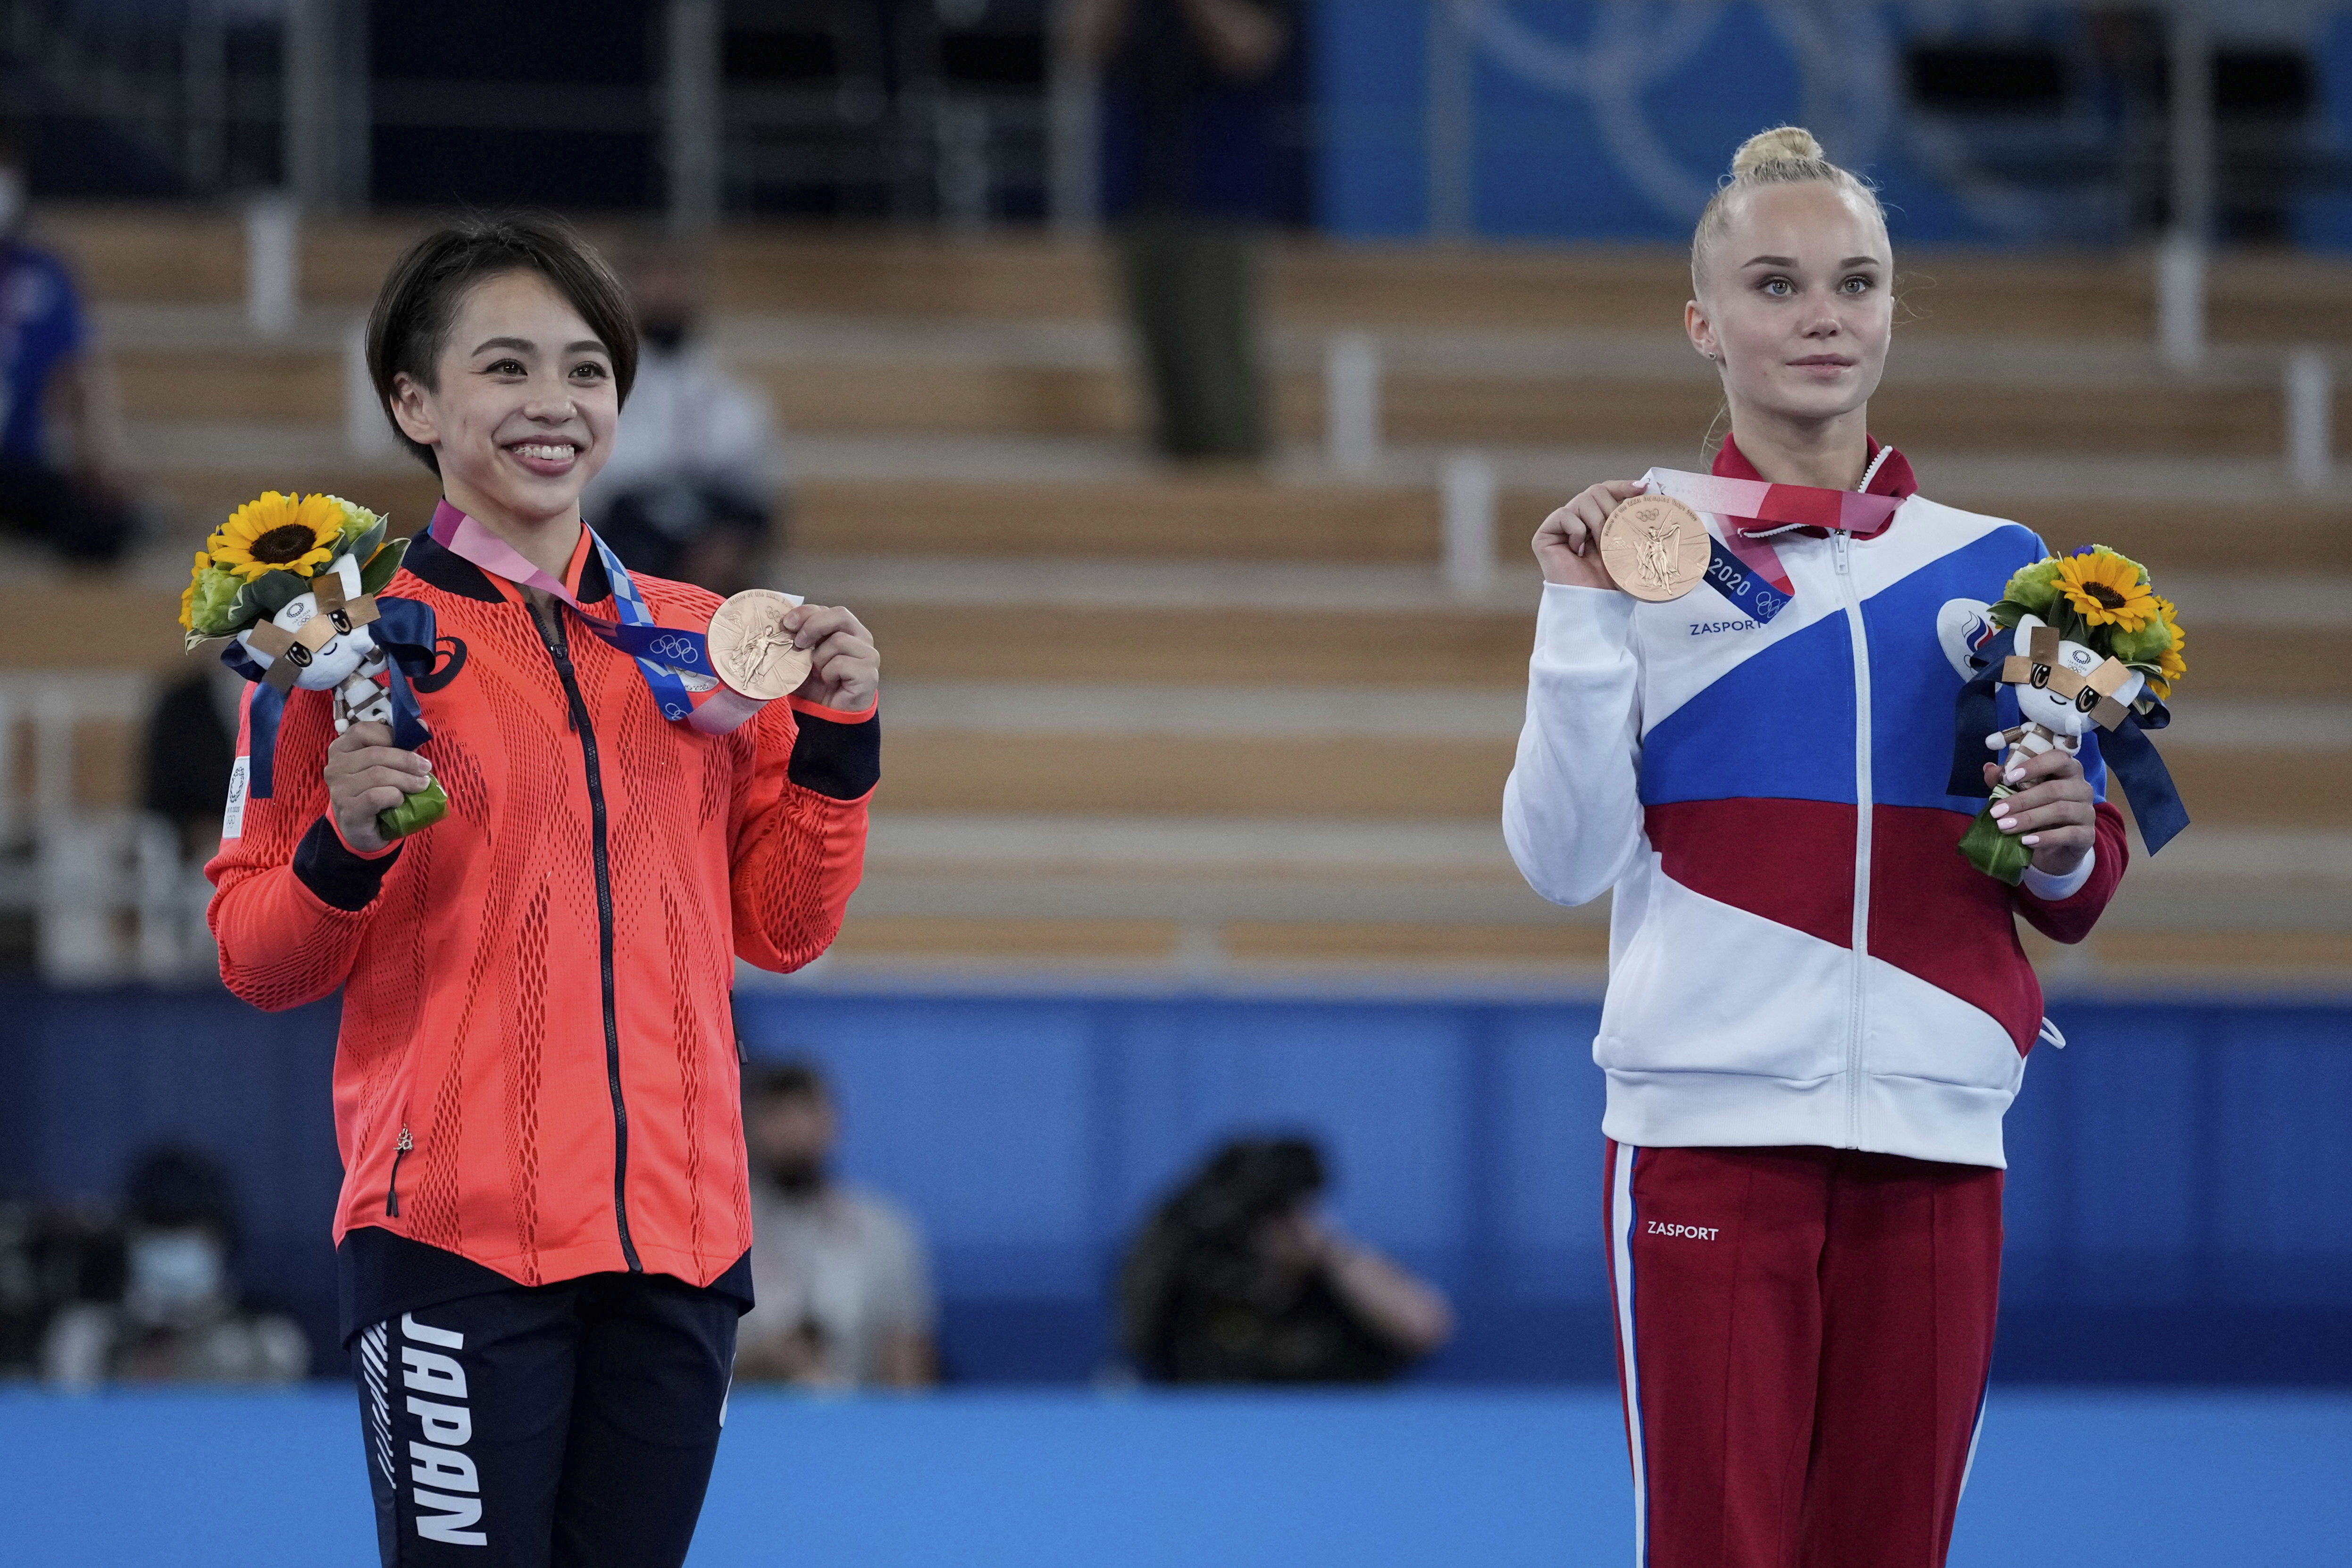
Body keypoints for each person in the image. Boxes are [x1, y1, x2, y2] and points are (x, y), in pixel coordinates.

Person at [205, 214, 881, 1568]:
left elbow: (782, 928)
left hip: (681, 1239)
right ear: (415, 402)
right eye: (505, 367)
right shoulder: (334, 644)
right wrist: (344, 845)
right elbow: (255, 957)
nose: (554, 403)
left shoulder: (702, 645)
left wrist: (837, 745)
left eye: (586, 369)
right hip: (455, 1235)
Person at [1503, 127, 2129, 1568]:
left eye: (1854, 283)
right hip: (1707, 1140)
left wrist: (2052, 841)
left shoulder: (2010, 566)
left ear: (1893, 311)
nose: (1820, 317)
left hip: (1934, 1138)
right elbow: (1561, 862)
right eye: (1774, 285)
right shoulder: (1637, 551)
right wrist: (1577, 618)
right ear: (1702, 323)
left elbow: (2078, 880)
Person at [1075, 0, 1294, 460]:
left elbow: (1250, 48)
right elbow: (1083, 44)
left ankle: (1237, 483)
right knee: (1162, 369)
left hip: (1213, 197)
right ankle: (1180, 476)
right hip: (1140, 190)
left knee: (1216, 378)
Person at [1118, 1135, 1453, 1383]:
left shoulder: (1335, 1273)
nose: (1280, 1231)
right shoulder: (1200, 1280)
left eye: (1291, 1215)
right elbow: (1137, 1331)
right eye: (1268, 1218)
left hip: (1340, 1430)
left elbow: (1424, 1329)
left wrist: (1330, 1253)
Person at [579, 247, 780, 597]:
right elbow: (596, 488)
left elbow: (757, 490)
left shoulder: (732, 395)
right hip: (626, 533)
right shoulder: (599, 390)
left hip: (713, 528)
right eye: (653, 284)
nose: (665, 296)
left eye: (675, 285)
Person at [733, 1060, 937, 1389]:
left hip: (857, 1412)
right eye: (777, 1117)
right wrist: (766, 1363)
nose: (793, 1132)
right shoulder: (725, 1231)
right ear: (749, 1126)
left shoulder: (883, 1231)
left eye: (805, 1114)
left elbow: (906, 1359)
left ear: (832, 1123)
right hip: (748, 1410)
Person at [39, 1144, 309, 1389]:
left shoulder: (268, 1344)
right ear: (130, 1238)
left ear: (223, 1239)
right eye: (159, 1228)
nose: (173, 1241)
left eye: (188, 1229)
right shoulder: (85, 1337)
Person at [0, 114, 134, 563]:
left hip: (15, 465)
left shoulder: (44, 272)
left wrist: (99, 457)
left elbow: (79, 372)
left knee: (104, 525)